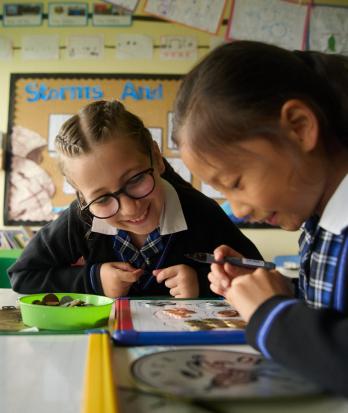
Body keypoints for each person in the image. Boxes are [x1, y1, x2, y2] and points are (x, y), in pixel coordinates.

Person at [172, 40, 348, 396]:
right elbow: (332, 309)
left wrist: (273, 313)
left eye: (235, 183)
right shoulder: (319, 223)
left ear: (299, 127)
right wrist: (271, 289)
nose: (237, 210)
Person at [8, 100, 262, 299]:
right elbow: (22, 275)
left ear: (156, 156)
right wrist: (93, 280)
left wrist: (202, 281)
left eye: (135, 180)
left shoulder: (200, 212)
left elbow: (256, 274)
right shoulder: (80, 218)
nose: (130, 208)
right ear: (80, 195)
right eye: (102, 198)